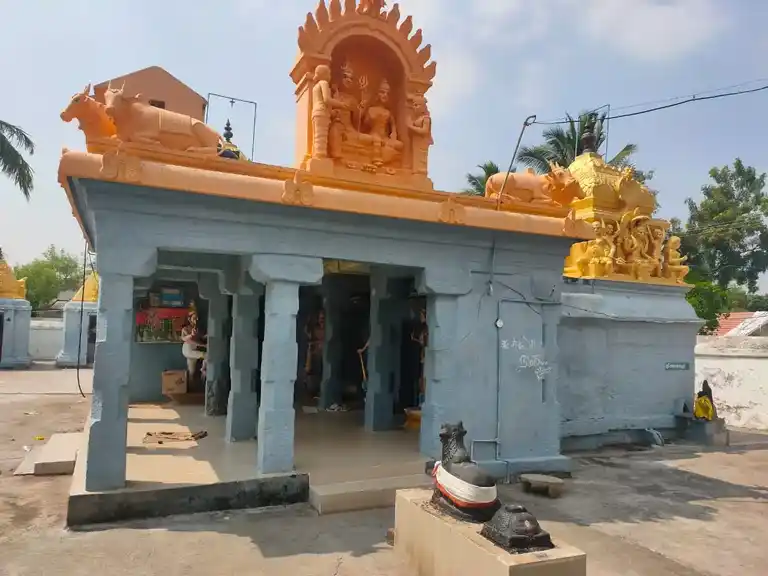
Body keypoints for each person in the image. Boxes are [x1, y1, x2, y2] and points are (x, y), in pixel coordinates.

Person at [181, 317, 205, 383]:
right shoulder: (185, 329)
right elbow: (186, 339)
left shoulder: (197, 328)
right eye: (194, 318)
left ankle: (189, 386)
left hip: (192, 350)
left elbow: (200, 338)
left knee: (191, 371)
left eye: (197, 318)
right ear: (189, 319)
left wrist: (205, 336)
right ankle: (204, 371)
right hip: (188, 349)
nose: (196, 320)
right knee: (205, 355)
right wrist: (191, 335)